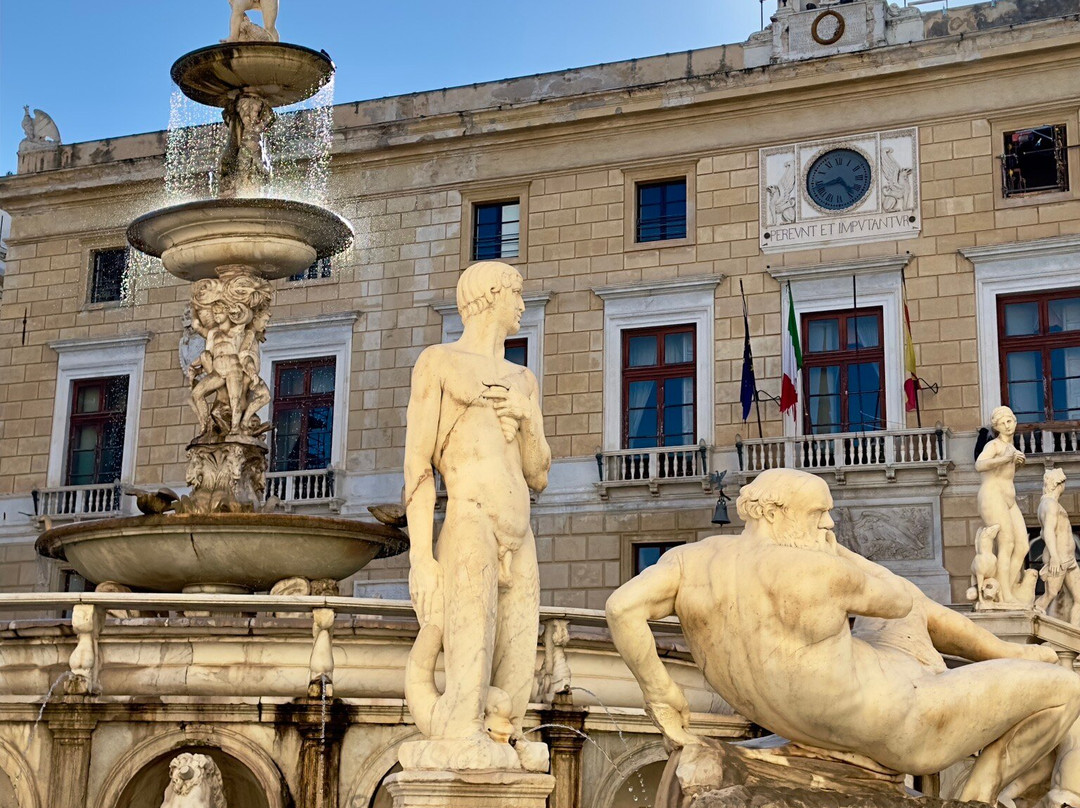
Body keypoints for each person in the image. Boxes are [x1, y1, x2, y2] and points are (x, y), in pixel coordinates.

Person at [606, 468, 1080, 804]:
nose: (829, 525)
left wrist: (660, 689)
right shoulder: (819, 570)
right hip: (907, 725)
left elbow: (621, 607)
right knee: (1067, 688)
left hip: (828, 721)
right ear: (776, 513)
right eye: (819, 514)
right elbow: (899, 596)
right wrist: (844, 556)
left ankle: (1007, 650)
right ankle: (978, 794)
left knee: (908, 623)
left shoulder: (691, 561)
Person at [402, 261, 551, 770]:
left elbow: (539, 474)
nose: (524, 307)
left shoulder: (523, 379)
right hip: (470, 519)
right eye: (518, 295)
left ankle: (508, 733)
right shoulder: (439, 363)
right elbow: (418, 467)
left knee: (517, 651)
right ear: (491, 296)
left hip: (520, 531)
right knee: (470, 642)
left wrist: (528, 420)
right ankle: (461, 732)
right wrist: (422, 558)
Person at [976, 405, 1029, 603]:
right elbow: (979, 464)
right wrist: (1005, 458)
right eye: (1002, 423)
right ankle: (1005, 595)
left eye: (1010, 421)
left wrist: (1016, 463)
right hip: (992, 496)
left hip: (1009, 499)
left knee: (1023, 545)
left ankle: (1002, 587)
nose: (1008, 426)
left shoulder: (1012, 447)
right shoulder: (995, 445)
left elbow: (1006, 474)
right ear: (996, 427)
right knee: (1006, 544)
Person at [1034, 468, 1080, 621]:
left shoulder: (1049, 504)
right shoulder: (1050, 505)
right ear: (1058, 484)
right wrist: (1054, 557)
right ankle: (1033, 616)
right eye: (1063, 482)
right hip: (1058, 559)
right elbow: (1048, 531)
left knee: (1079, 598)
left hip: (1068, 558)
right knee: (1050, 594)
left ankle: (1075, 635)